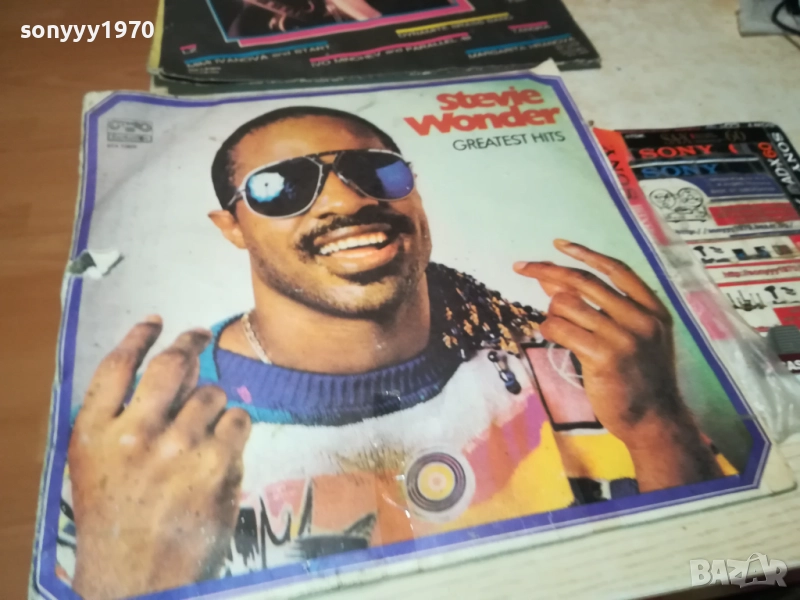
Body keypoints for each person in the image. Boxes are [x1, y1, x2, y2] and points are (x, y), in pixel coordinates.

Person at [65, 107, 732, 599]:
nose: (348, 198)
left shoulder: (589, 367)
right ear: (231, 227)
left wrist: (656, 424)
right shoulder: (138, 444)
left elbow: (708, 568)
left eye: (375, 170)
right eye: (280, 185)